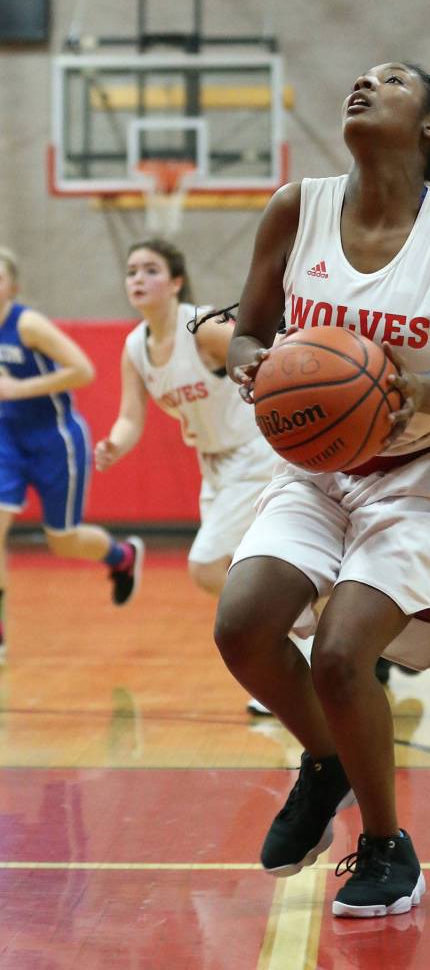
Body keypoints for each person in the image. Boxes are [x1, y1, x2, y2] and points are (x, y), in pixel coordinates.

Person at [211, 61, 430, 918]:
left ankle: (387, 844)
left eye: (391, 81)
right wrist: (263, 365)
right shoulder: (298, 206)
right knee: (243, 626)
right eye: (360, 77)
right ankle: (325, 764)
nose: (363, 84)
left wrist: (418, 390)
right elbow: (246, 333)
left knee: (338, 654)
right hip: (321, 467)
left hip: (424, 473)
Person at [93, 238, 315, 713]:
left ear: (175, 282)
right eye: (131, 271)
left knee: (207, 566)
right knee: (247, 564)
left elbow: (272, 355)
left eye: (150, 270)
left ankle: (293, 649)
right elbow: (131, 417)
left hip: (257, 451)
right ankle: (308, 639)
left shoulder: (205, 328)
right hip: (214, 465)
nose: (137, 278)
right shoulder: (136, 346)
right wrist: (115, 442)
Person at [0, 246, 143, 662]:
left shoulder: (28, 325)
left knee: (62, 541)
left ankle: (121, 556)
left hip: (54, 438)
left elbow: (83, 370)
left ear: (13, 287)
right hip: (6, 439)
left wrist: (18, 389)